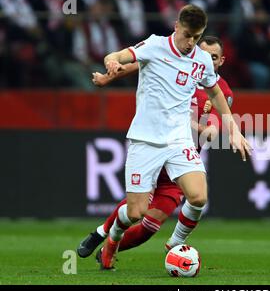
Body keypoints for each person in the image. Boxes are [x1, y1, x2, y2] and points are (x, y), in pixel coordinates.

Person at [96, 5, 250, 270]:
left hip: (179, 140)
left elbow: (215, 94)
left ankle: (175, 243)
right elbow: (121, 54)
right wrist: (112, 60)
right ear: (177, 26)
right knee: (135, 213)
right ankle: (112, 239)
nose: (191, 42)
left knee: (199, 197)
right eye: (188, 35)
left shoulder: (200, 59)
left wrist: (234, 129)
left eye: (197, 37)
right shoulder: (155, 45)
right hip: (145, 139)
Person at [77, 36, 234, 259]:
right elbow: (139, 63)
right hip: (154, 146)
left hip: (181, 158)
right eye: (204, 53)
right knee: (136, 208)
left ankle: (109, 247)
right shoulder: (179, 64)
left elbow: (213, 131)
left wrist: (198, 127)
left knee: (149, 226)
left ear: (221, 61)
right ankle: (101, 233)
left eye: (213, 57)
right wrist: (109, 77)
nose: (207, 59)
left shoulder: (221, 91)